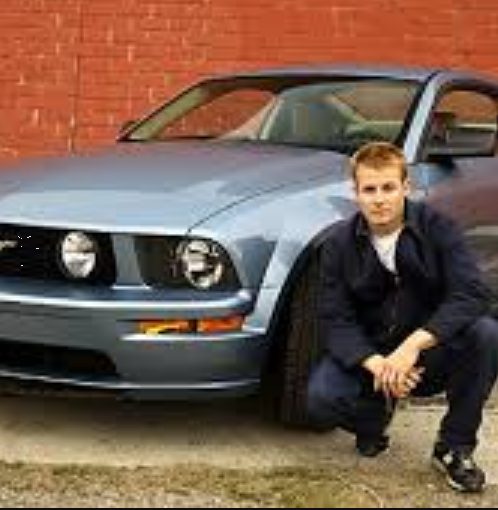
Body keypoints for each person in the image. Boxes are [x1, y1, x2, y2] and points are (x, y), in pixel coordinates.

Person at [306, 141, 498, 493]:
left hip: (428, 353)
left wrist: (413, 346)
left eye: (388, 188)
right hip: (373, 356)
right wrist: (379, 365)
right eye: (369, 189)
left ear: (405, 188)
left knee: (486, 334)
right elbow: (335, 316)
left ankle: (454, 447)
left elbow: (472, 294)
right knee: (320, 400)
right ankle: (374, 416)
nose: (379, 199)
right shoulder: (338, 243)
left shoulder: (440, 228)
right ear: (356, 193)